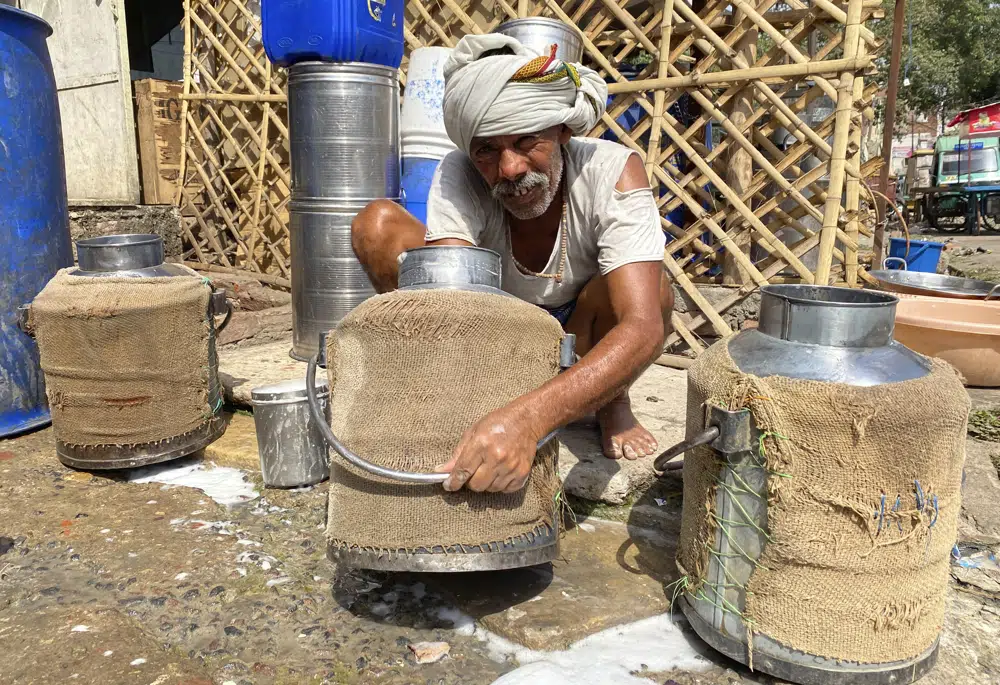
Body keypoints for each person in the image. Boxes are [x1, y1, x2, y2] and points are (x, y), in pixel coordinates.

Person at [351, 33, 674, 494]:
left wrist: (527, 421)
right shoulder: (460, 173)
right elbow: (448, 309)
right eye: (487, 150)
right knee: (377, 225)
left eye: (527, 142)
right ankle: (468, 392)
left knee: (653, 295)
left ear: (563, 130)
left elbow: (643, 328)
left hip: (579, 330)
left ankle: (612, 401)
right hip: (493, 325)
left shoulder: (612, 169)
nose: (510, 169)